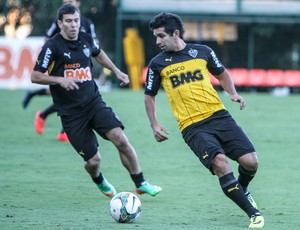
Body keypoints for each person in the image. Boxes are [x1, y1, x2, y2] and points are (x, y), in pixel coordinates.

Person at [144, 12, 264, 228]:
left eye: (161, 36)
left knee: (251, 162)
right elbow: (149, 95)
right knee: (220, 164)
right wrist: (154, 124)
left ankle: (243, 189)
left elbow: (222, 74)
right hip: (192, 126)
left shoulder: (202, 52)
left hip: (219, 116)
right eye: (156, 37)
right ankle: (253, 213)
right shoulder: (157, 64)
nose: (157, 41)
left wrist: (232, 93)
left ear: (176, 33)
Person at [31, 4, 162, 198]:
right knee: (93, 161)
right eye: (68, 21)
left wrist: (117, 71)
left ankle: (140, 182)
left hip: (94, 103)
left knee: (121, 139)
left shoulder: (85, 38)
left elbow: (98, 53)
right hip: (71, 114)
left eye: (76, 20)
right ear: (60, 23)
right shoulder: (52, 46)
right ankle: (99, 180)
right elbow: (35, 76)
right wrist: (60, 79)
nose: (73, 25)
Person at [23, 0, 98, 142]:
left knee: (75, 97)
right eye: (66, 0)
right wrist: (52, 55)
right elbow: (48, 37)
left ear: (78, 3)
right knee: (69, 97)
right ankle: (48, 119)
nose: (68, 2)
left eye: (71, 1)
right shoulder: (59, 21)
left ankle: (57, 126)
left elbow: (94, 44)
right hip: (62, 66)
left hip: (82, 66)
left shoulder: (88, 23)